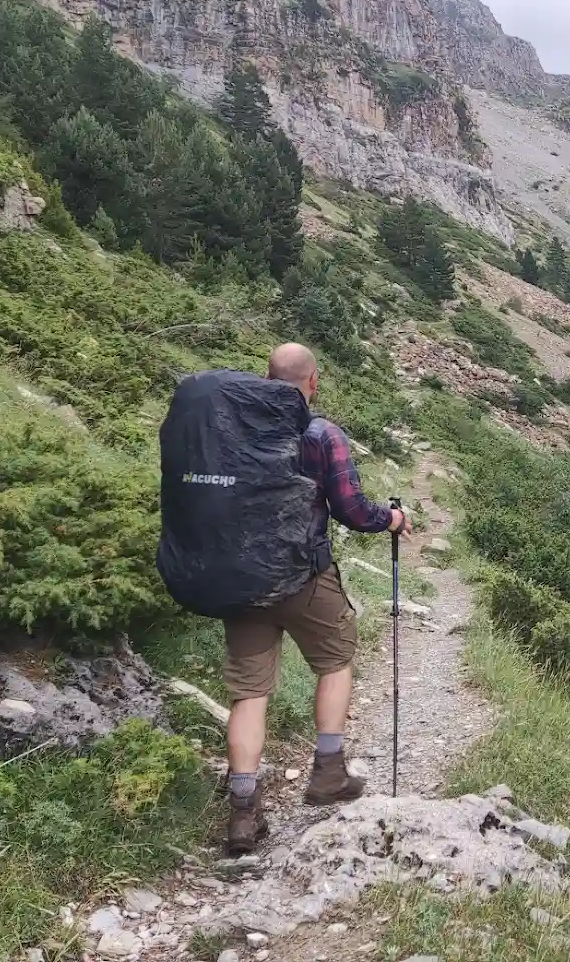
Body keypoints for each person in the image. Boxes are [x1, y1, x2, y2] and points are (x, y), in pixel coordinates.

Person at [223, 342, 410, 855]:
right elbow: (351, 509)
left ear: (266, 377)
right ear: (313, 381)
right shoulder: (321, 433)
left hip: (242, 578)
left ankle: (243, 812)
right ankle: (328, 772)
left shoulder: (233, 427)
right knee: (335, 659)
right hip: (304, 575)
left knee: (250, 691)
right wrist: (391, 519)